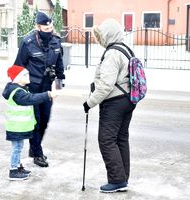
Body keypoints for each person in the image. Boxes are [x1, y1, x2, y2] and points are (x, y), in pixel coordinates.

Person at [82, 19, 136, 193]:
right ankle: (122, 177)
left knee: (106, 140)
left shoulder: (112, 53)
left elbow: (106, 85)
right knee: (121, 139)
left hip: (115, 102)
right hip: (128, 100)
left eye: (101, 36)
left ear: (108, 34)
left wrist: (89, 103)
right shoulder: (125, 49)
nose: (99, 40)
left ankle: (117, 180)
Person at [14, 11, 65, 167]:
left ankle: (34, 148)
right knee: (35, 121)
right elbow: (18, 66)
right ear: (38, 26)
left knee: (45, 120)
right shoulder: (28, 42)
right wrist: (18, 86)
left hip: (47, 87)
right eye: (45, 26)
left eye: (50, 26)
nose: (49, 28)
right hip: (32, 88)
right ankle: (37, 153)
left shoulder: (56, 41)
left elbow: (59, 61)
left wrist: (60, 78)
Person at [2, 65, 57, 181]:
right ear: (17, 78)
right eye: (25, 75)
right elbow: (31, 98)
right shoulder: (18, 93)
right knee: (17, 148)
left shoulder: (20, 89)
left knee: (19, 146)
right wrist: (47, 95)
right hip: (15, 127)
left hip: (18, 127)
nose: (28, 76)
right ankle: (13, 170)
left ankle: (17, 166)